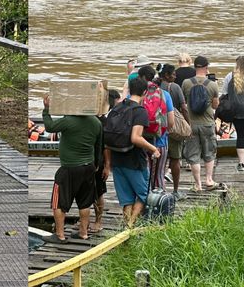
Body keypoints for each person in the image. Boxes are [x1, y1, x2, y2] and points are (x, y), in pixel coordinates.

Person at [43, 94, 102, 242]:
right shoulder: (96, 122)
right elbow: (98, 145)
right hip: (88, 167)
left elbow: (49, 127)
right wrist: (96, 164)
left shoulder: (68, 121)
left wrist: (46, 109)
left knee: (59, 202)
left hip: (69, 168)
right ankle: (83, 233)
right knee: (85, 201)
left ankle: (60, 235)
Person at [107, 76, 161, 227]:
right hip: (134, 161)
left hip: (117, 158)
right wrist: (153, 149)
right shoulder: (139, 111)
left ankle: (126, 227)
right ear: (145, 92)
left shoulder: (117, 107)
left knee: (126, 198)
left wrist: (108, 163)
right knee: (144, 195)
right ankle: (130, 226)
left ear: (130, 90)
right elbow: (135, 138)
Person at [181, 55, 220, 191]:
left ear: (194, 67)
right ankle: (209, 180)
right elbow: (215, 106)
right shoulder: (212, 85)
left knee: (193, 155)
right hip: (208, 123)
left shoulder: (186, 83)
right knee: (209, 152)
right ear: (206, 67)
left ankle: (198, 184)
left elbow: (185, 103)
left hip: (192, 124)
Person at [138, 65, 174, 191]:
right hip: (160, 141)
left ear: (141, 77)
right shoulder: (164, 94)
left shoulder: (136, 94)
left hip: (140, 141)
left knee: (143, 176)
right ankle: (159, 207)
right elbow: (171, 121)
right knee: (158, 175)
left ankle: (142, 205)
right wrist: (163, 132)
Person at [159, 63, 190, 200]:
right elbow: (183, 107)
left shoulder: (156, 87)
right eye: (173, 74)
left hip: (159, 128)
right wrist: (188, 125)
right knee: (175, 159)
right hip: (173, 127)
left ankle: (159, 187)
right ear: (166, 75)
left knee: (160, 160)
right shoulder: (175, 87)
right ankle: (176, 191)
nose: (175, 76)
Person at [92, 89, 121, 233]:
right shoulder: (91, 119)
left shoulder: (105, 122)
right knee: (85, 192)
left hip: (99, 161)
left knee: (98, 193)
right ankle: (84, 219)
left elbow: (106, 147)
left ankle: (98, 220)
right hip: (87, 161)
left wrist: (107, 166)